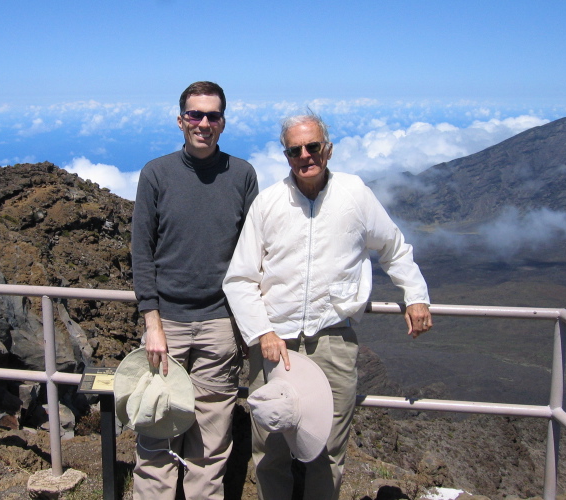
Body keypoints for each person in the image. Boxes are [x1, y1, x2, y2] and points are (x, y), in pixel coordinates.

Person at [222, 111, 432, 500]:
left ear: (328, 149)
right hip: (274, 345)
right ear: (286, 155)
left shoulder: (355, 195)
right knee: (271, 449)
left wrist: (415, 296)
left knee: (327, 449)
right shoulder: (268, 203)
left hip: (333, 340)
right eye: (294, 149)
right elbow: (239, 278)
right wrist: (262, 332)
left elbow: (394, 248)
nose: (305, 155)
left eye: (312, 146)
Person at [130, 81, 258, 499]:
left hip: (221, 326)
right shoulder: (156, 173)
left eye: (212, 116)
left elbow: (255, 251)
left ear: (223, 121)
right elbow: (141, 251)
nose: (203, 123)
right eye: (195, 115)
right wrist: (152, 322)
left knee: (211, 444)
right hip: (165, 325)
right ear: (180, 119)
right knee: (155, 435)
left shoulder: (242, 175)